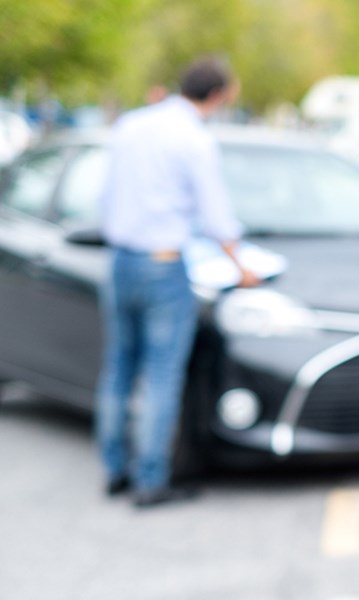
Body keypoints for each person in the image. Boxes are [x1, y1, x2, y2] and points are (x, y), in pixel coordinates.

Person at [96, 56, 260, 508]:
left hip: (121, 260)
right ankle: (152, 479)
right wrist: (241, 265)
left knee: (118, 371)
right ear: (220, 94)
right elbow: (216, 215)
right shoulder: (195, 140)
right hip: (164, 265)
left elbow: (105, 197)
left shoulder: (130, 125)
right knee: (162, 376)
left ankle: (115, 470)